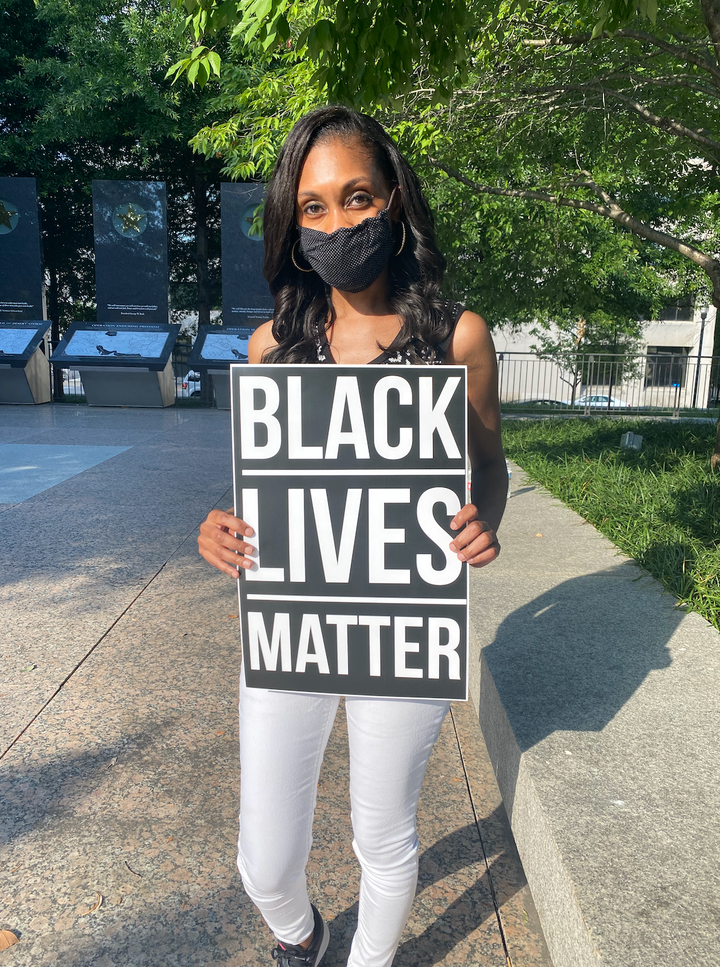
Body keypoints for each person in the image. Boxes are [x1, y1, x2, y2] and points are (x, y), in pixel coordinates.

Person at [197, 105, 507, 967]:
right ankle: (302, 936)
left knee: (384, 836)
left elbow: (488, 467)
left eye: (357, 196)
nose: (338, 222)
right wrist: (220, 529)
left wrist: (485, 522)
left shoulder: (457, 340)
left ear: (395, 202)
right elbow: (264, 493)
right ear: (294, 230)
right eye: (315, 207)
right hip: (292, 624)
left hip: (400, 623)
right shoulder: (273, 347)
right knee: (263, 863)